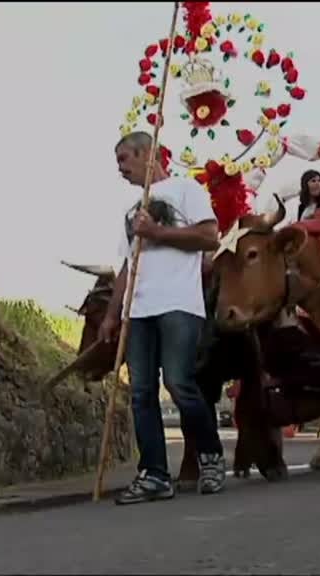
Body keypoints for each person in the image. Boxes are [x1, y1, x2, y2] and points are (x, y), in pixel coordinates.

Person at [101, 130, 225, 505]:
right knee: (141, 392)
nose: (119, 168)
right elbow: (127, 265)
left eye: (124, 159)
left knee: (179, 383)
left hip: (178, 304)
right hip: (137, 310)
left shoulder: (186, 189)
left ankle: (210, 457)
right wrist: (112, 314)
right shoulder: (129, 209)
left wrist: (157, 231)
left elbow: (210, 238)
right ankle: (154, 474)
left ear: (147, 153)